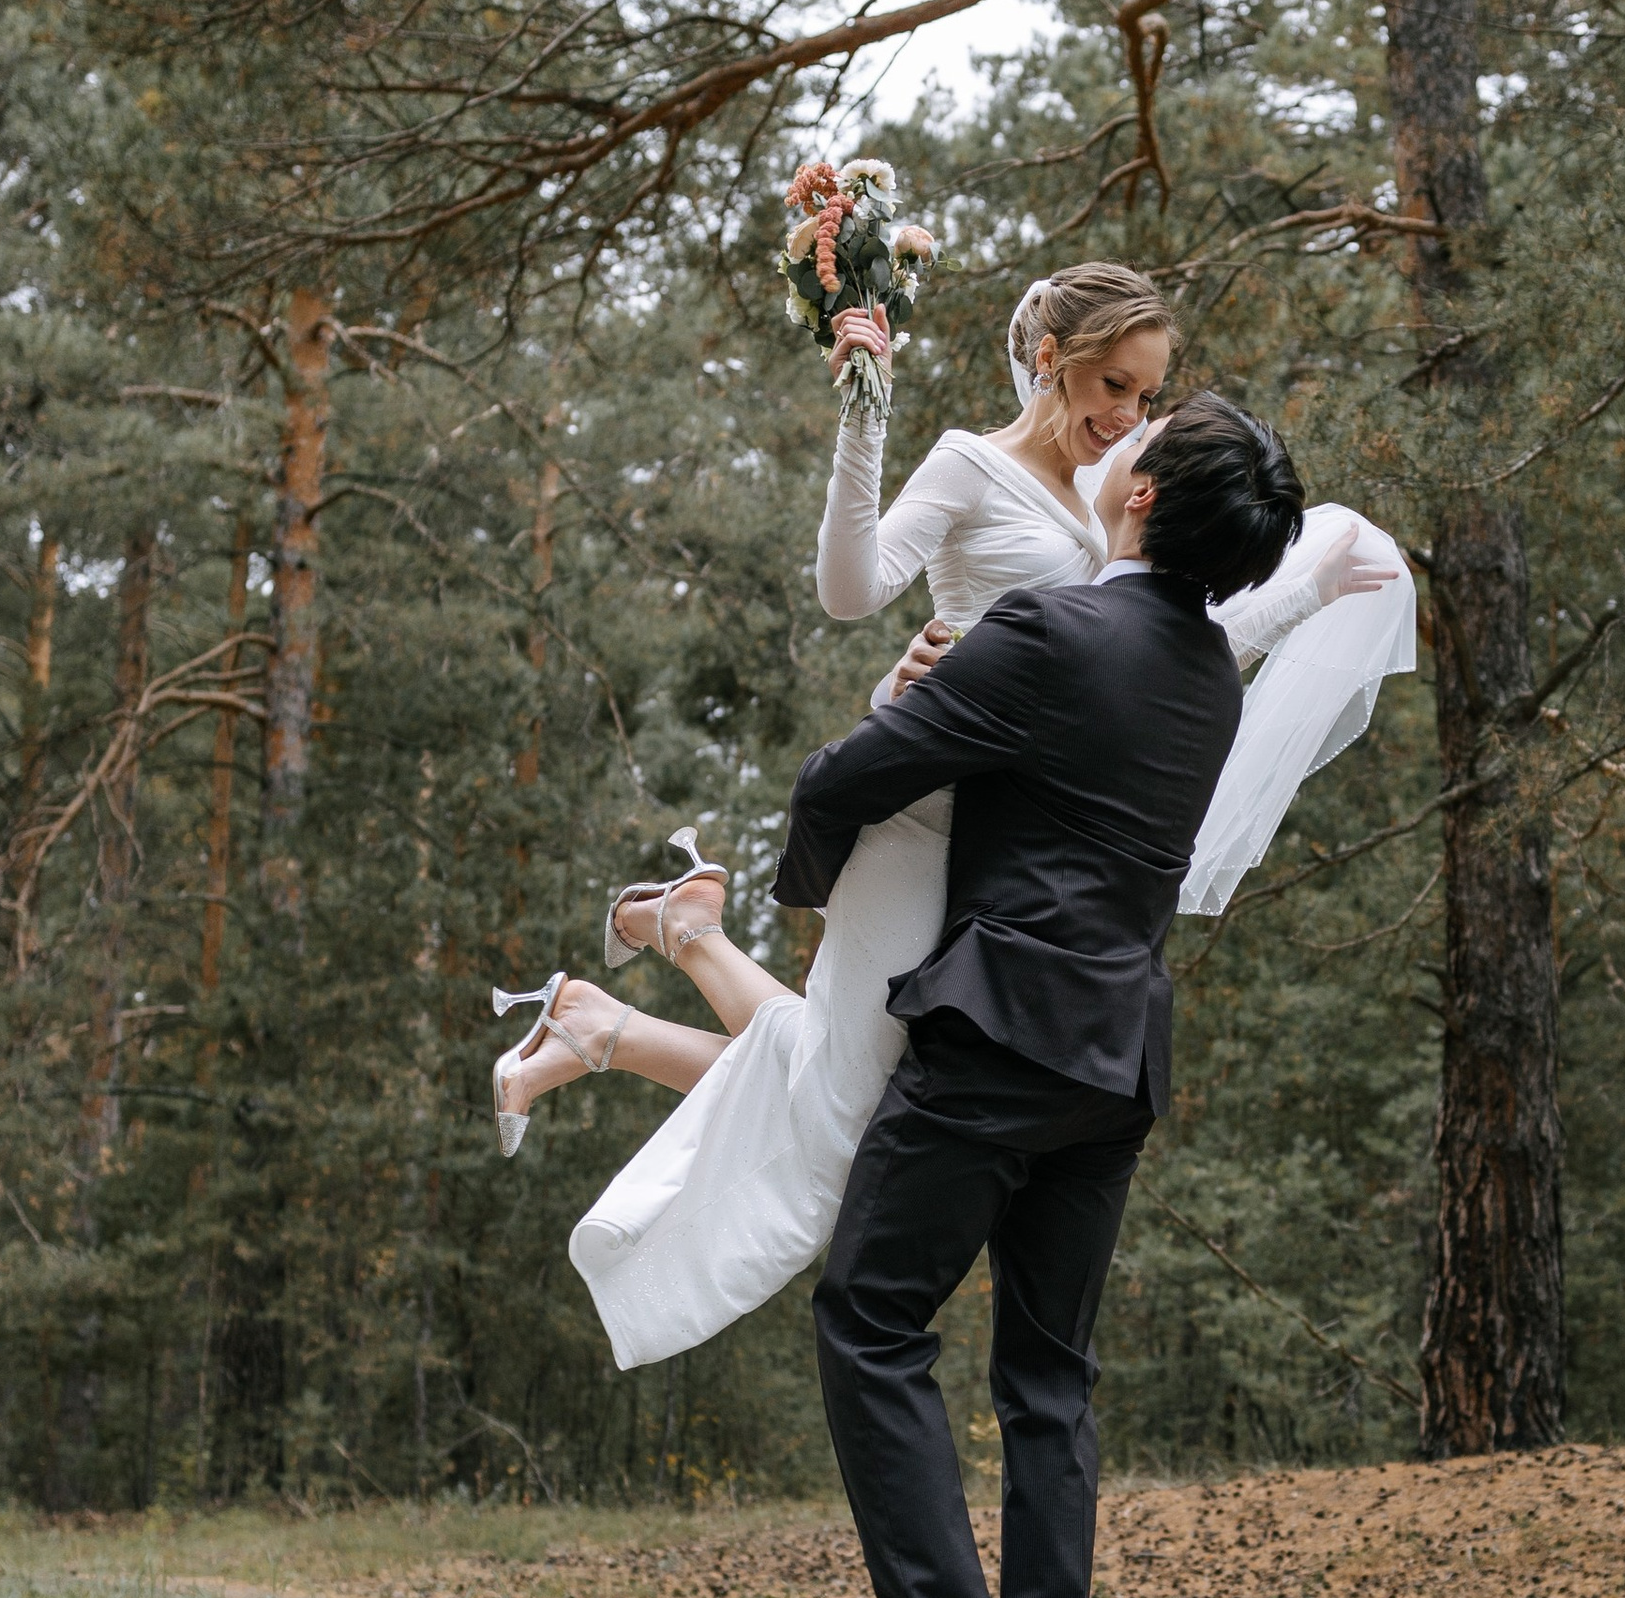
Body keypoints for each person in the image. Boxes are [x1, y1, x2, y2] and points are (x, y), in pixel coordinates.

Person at [491, 264, 1413, 1367]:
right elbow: (850, 588)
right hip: (925, 808)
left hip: (1004, 831)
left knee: (870, 1092)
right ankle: (643, 989)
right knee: (853, 1125)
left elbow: (1142, 658)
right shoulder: (972, 466)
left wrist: (1307, 590)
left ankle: (638, 989)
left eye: (1146, 398)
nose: (1125, 418)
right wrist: (863, 416)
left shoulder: (1107, 502)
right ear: (1049, 358)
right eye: (1111, 385)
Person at [767, 395, 1304, 1598]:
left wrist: (815, 912)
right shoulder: (1211, 676)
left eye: (1144, 434)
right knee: (1049, 1377)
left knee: (870, 1318)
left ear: (1137, 501)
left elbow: (855, 778)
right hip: (1115, 1057)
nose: (1118, 436)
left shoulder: (1053, 631)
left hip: (998, 1032)